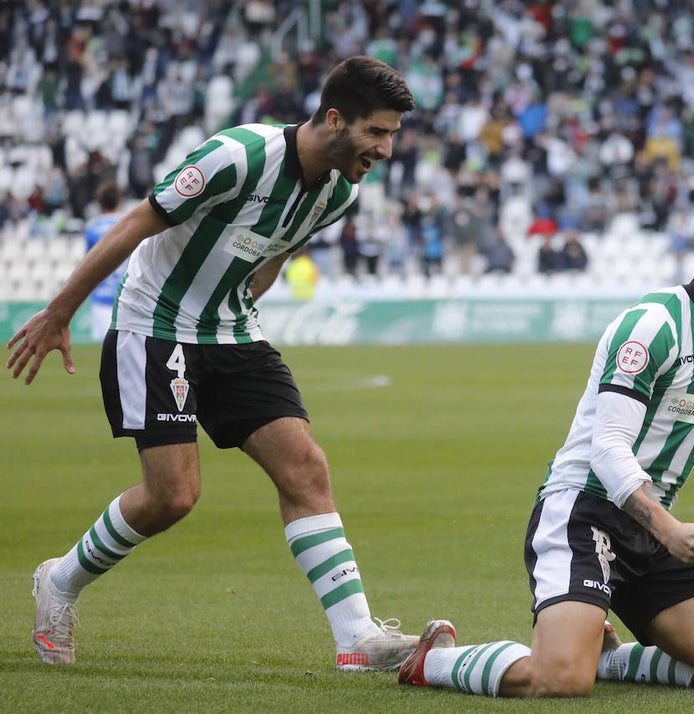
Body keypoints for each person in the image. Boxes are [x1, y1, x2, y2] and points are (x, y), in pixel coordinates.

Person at [6, 56, 441, 670]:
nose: (387, 149)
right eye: (377, 132)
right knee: (173, 496)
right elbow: (136, 222)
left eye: (392, 133)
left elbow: (272, 256)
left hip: (233, 336)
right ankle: (61, 580)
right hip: (154, 328)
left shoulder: (340, 191)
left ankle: (356, 638)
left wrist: (234, 320)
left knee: (306, 469)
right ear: (335, 119)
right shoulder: (238, 155)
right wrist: (57, 315)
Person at [396, 196, 694, 697]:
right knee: (560, 679)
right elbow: (607, 448)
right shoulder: (653, 324)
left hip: (651, 533)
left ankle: (607, 658)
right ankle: (436, 661)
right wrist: (670, 529)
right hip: (584, 512)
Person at [84, 181, 125, 341]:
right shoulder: (128, 225)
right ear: (119, 201)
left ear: (100, 203)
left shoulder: (92, 228)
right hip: (125, 297)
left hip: (101, 297)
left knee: (101, 352)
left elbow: (87, 265)